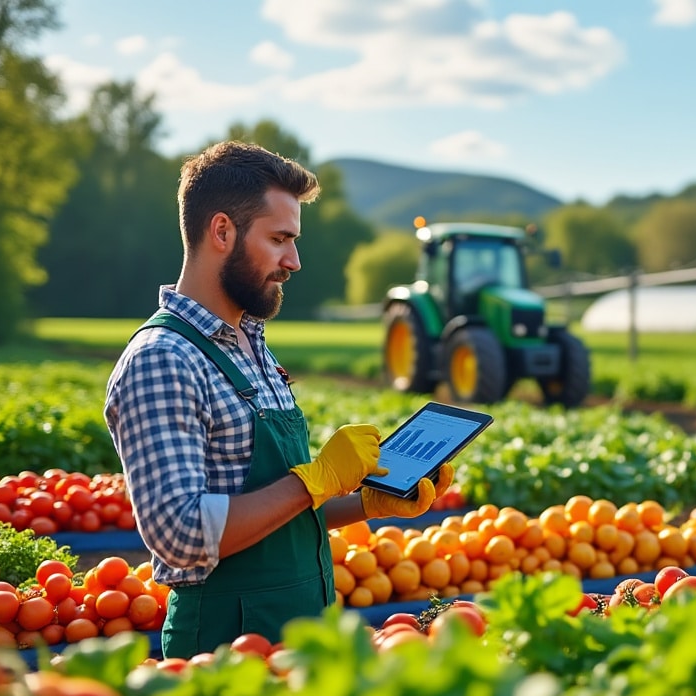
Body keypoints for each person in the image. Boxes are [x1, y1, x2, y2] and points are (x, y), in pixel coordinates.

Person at [103, 140, 451, 658]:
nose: (294, 261)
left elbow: (275, 513)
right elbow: (181, 535)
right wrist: (312, 480)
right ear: (222, 231)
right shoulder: (163, 359)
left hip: (305, 634)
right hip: (226, 650)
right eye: (280, 239)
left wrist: (366, 502)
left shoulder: (252, 344)